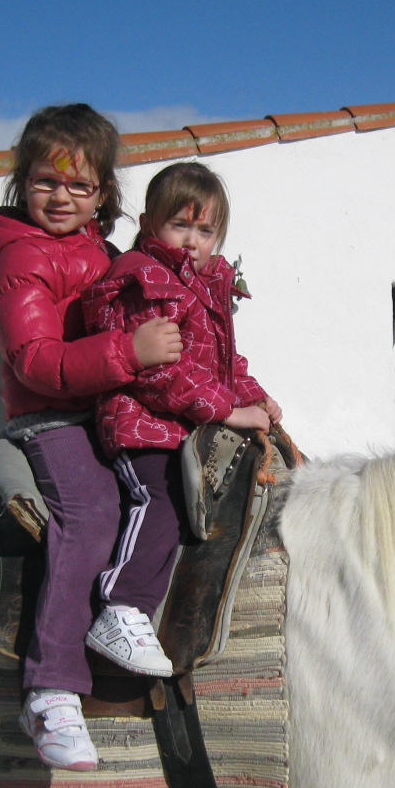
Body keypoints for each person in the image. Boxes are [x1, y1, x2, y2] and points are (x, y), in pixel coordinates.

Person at [0, 103, 184, 772]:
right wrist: (130, 350)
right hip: (50, 415)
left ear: (102, 193)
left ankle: (131, 613)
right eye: (45, 181)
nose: (60, 196)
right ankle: (51, 688)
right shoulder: (20, 257)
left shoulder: (101, 252)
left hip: (104, 407)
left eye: (79, 185)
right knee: (92, 513)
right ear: (22, 181)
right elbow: (34, 362)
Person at [80, 161, 281, 655]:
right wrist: (225, 411)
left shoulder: (204, 287)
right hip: (141, 424)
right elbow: (158, 369)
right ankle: (122, 607)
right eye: (180, 224)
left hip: (182, 424)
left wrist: (253, 395)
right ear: (149, 224)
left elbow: (223, 363)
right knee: (163, 496)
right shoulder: (145, 279)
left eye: (205, 229)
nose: (192, 240)